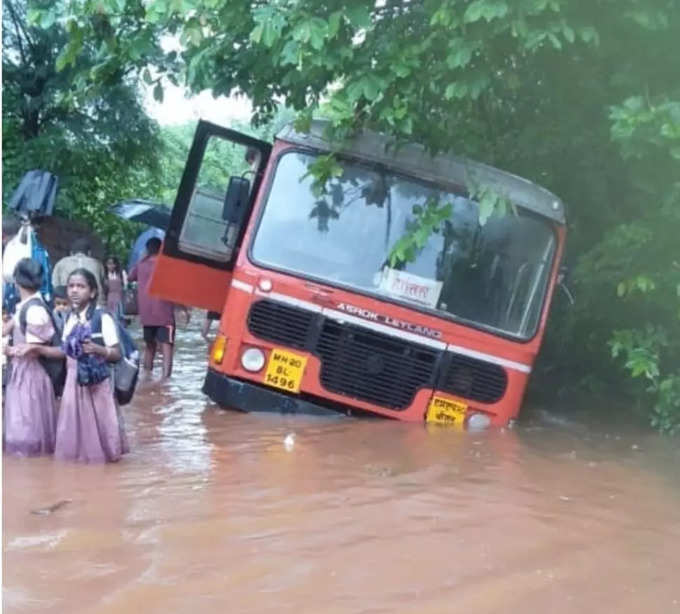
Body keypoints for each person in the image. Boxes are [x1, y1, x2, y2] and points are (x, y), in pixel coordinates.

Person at [41, 268, 128, 463]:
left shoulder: (101, 317)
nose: (74, 291)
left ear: (92, 292)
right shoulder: (70, 318)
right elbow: (64, 351)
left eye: (80, 286)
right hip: (74, 383)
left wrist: (98, 349)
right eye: (71, 286)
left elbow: (116, 354)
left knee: (101, 428)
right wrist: (37, 351)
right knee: (74, 430)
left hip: (96, 384)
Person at [2, 258, 58, 456]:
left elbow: (34, 348)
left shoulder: (33, 310)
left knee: (25, 430)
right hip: (23, 373)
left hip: (30, 374)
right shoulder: (27, 306)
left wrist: (8, 350)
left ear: (16, 281)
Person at [128, 237, 188, 378]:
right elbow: (174, 289)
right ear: (161, 249)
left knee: (149, 347)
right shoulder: (166, 265)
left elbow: (130, 277)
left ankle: (146, 377)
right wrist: (183, 308)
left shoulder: (141, 264)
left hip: (146, 315)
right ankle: (166, 380)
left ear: (147, 249)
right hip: (164, 314)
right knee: (167, 347)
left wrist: (142, 259)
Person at [51, 237, 105, 305]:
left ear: (71, 253)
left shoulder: (61, 263)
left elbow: (55, 285)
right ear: (89, 253)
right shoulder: (97, 264)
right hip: (94, 304)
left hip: (67, 304)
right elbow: (102, 284)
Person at [104, 255, 127, 321]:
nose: (111, 266)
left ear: (116, 264)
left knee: (120, 318)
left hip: (120, 299)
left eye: (112, 264)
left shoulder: (121, 273)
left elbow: (125, 286)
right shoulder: (105, 275)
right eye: (109, 264)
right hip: (109, 300)